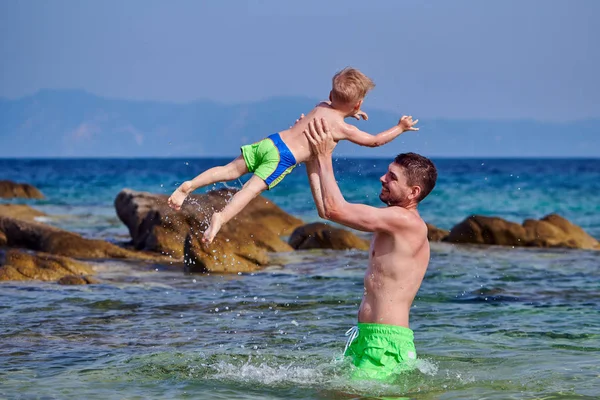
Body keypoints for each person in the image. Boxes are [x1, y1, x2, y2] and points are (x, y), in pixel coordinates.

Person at [167, 67, 419, 244]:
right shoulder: (342, 128)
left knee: (229, 170)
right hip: (282, 158)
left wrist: (348, 111)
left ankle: (188, 186)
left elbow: (334, 107)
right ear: (358, 105)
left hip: (272, 141)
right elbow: (374, 142)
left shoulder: (321, 105)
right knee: (248, 191)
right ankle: (220, 218)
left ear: (331, 96)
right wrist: (400, 128)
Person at [302, 117, 437, 381]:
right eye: (387, 172)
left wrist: (325, 154)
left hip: (385, 344)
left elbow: (334, 208)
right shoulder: (391, 220)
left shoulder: (405, 221)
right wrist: (312, 158)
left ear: (413, 192)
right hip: (366, 337)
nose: (382, 178)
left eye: (392, 177)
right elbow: (326, 210)